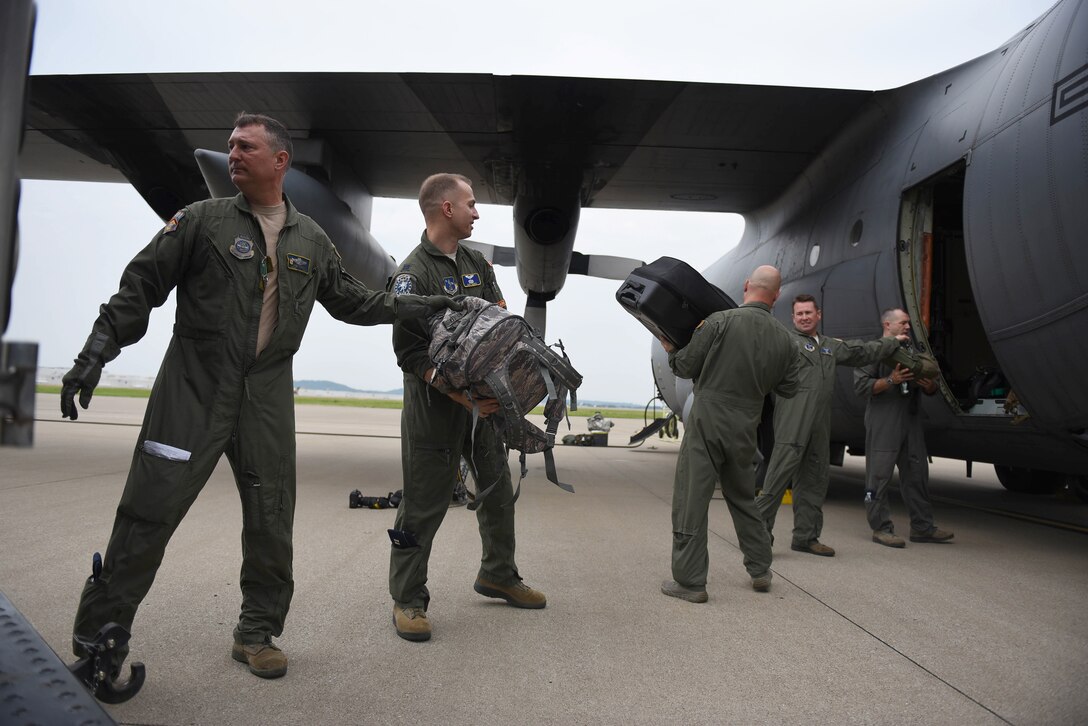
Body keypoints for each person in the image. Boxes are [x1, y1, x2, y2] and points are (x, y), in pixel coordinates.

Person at [60, 113, 459, 679]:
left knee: (272, 520)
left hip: (266, 396)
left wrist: (424, 304)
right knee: (146, 515)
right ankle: (100, 639)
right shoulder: (200, 221)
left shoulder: (312, 240)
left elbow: (357, 302)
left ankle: (256, 633)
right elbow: (141, 285)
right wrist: (96, 351)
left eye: (245, 146)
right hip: (192, 391)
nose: (233, 154)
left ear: (280, 161)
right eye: (230, 146)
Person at [386, 172, 545, 642]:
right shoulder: (412, 274)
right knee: (423, 503)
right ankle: (408, 598)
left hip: (486, 405)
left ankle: (499, 573)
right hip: (435, 408)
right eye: (471, 204)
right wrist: (459, 395)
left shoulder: (477, 260)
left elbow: (500, 319)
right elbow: (408, 354)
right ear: (446, 209)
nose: (477, 212)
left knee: (496, 488)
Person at [659, 265, 802, 603]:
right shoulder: (785, 340)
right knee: (743, 498)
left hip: (708, 421)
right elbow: (790, 387)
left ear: (747, 286)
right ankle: (760, 568)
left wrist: (671, 350)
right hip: (745, 427)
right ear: (777, 295)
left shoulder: (720, 322)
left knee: (691, 498)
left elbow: (686, 366)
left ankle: (691, 581)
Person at [755, 294, 917, 557]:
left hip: (819, 425)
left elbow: (861, 352)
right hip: (792, 423)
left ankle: (806, 537)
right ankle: (758, 539)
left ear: (819, 315)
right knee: (776, 481)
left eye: (809, 312)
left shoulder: (830, 346)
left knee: (814, 481)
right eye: (800, 314)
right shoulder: (785, 342)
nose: (805, 317)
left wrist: (890, 342)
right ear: (793, 318)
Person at [853, 308, 954, 548]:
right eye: (903, 323)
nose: (908, 326)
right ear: (888, 325)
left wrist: (929, 386)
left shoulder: (911, 352)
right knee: (878, 477)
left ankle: (922, 527)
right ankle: (881, 528)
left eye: (909, 323)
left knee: (917, 475)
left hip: (910, 420)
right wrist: (891, 381)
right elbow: (860, 387)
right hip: (883, 419)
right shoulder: (874, 352)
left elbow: (932, 388)